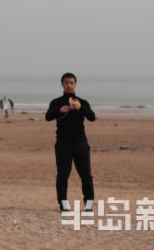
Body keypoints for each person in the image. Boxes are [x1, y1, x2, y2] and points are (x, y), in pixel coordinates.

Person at [45, 72, 95, 213]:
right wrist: (60, 110)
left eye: (71, 82)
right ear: (62, 84)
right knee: (62, 175)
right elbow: (48, 117)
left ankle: (89, 205)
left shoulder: (82, 102)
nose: (69, 85)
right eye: (66, 82)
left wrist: (80, 108)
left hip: (80, 143)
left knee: (86, 176)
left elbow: (92, 117)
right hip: (63, 144)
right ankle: (63, 205)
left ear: (75, 84)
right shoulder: (56, 102)